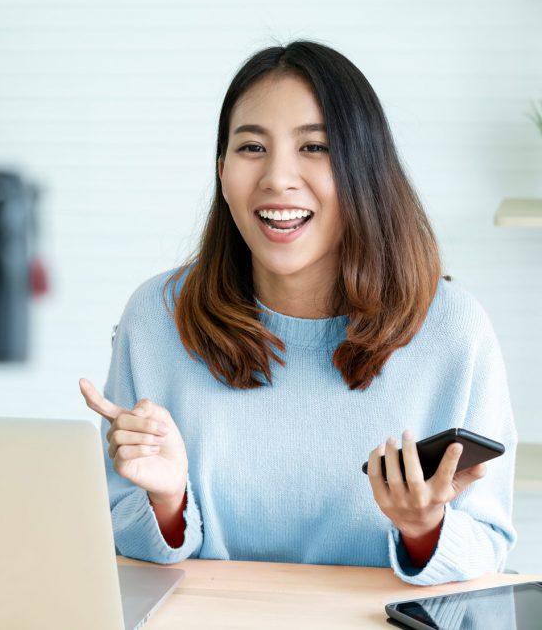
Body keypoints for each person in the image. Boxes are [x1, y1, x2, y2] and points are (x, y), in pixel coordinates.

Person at [78, 40, 517, 585]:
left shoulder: (452, 329)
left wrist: (424, 528)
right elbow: (118, 539)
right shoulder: (157, 318)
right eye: (251, 148)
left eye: (315, 148)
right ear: (221, 170)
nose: (277, 178)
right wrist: (167, 502)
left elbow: (489, 543)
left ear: (365, 169)